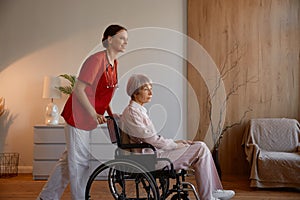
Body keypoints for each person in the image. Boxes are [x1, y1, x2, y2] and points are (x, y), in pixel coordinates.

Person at [37, 24, 128, 200]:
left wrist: (110, 112)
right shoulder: (96, 60)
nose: (125, 42)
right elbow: (79, 90)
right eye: (122, 38)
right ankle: (80, 197)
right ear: (109, 39)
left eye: (126, 39)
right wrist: (94, 113)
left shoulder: (114, 63)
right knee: (80, 162)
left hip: (88, 119)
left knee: (67, 162)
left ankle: (46, 197)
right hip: (78, 116)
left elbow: (104, 93)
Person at [120, 74, 235, 200]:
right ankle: (209, 195)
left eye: (151, 88)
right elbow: (151, 139)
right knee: (200, 148)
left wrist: (178, 143)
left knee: (198, 145)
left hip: (153, 152)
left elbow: (151, 138)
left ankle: (213, 191)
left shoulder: (138, 111)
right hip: (149, 159)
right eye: (146, 89)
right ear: (135, 92)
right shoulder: (132, 113)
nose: (151, 92)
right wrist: (176, 145)